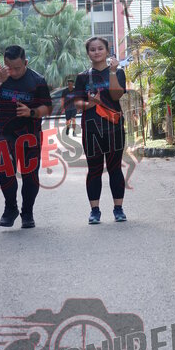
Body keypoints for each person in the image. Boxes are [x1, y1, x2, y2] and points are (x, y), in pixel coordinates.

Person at [0, 45, 52, 229]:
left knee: (30, 176)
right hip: (5, 133)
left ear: (25, 62)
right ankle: (10, 208)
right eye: (9, 67)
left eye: (17, 68)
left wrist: (31, 112)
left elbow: (47, 108)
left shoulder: (37, 80)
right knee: (6, 173)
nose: (12, 72)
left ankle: (27, 212)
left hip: (30, 135)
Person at [74, 37, 127, 224]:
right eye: (92, 49)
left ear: (107, 51)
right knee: (94, 169)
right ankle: (94, 211)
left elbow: (116, 95)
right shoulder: (82, 77)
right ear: (88, 53)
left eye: (100, 49)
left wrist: (112, 72)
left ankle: (118, 209)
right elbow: (77, 103)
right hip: (91, 129)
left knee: (115, 168)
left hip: (114, 128)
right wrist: (91, 104)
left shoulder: (118, 72)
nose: (96, 52)